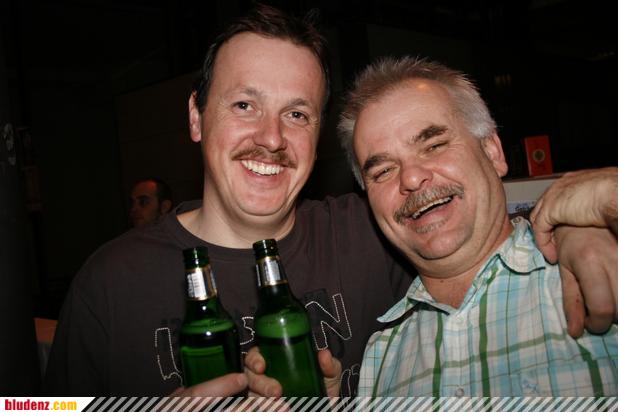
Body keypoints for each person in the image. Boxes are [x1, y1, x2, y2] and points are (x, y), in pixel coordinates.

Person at [44, 5, 616, 397]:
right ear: (196, 117)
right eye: (244, 105)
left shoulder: (370, 231)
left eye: (296, 113)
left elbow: (469, 224)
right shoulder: (110, 280)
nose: (271, 137)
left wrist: (578, 220)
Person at [335, 56, 618, 396]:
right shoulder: (380, 359)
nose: (410, 178)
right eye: (383, 171)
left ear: (493, 151)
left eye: (434, 146)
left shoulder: (595, 270)